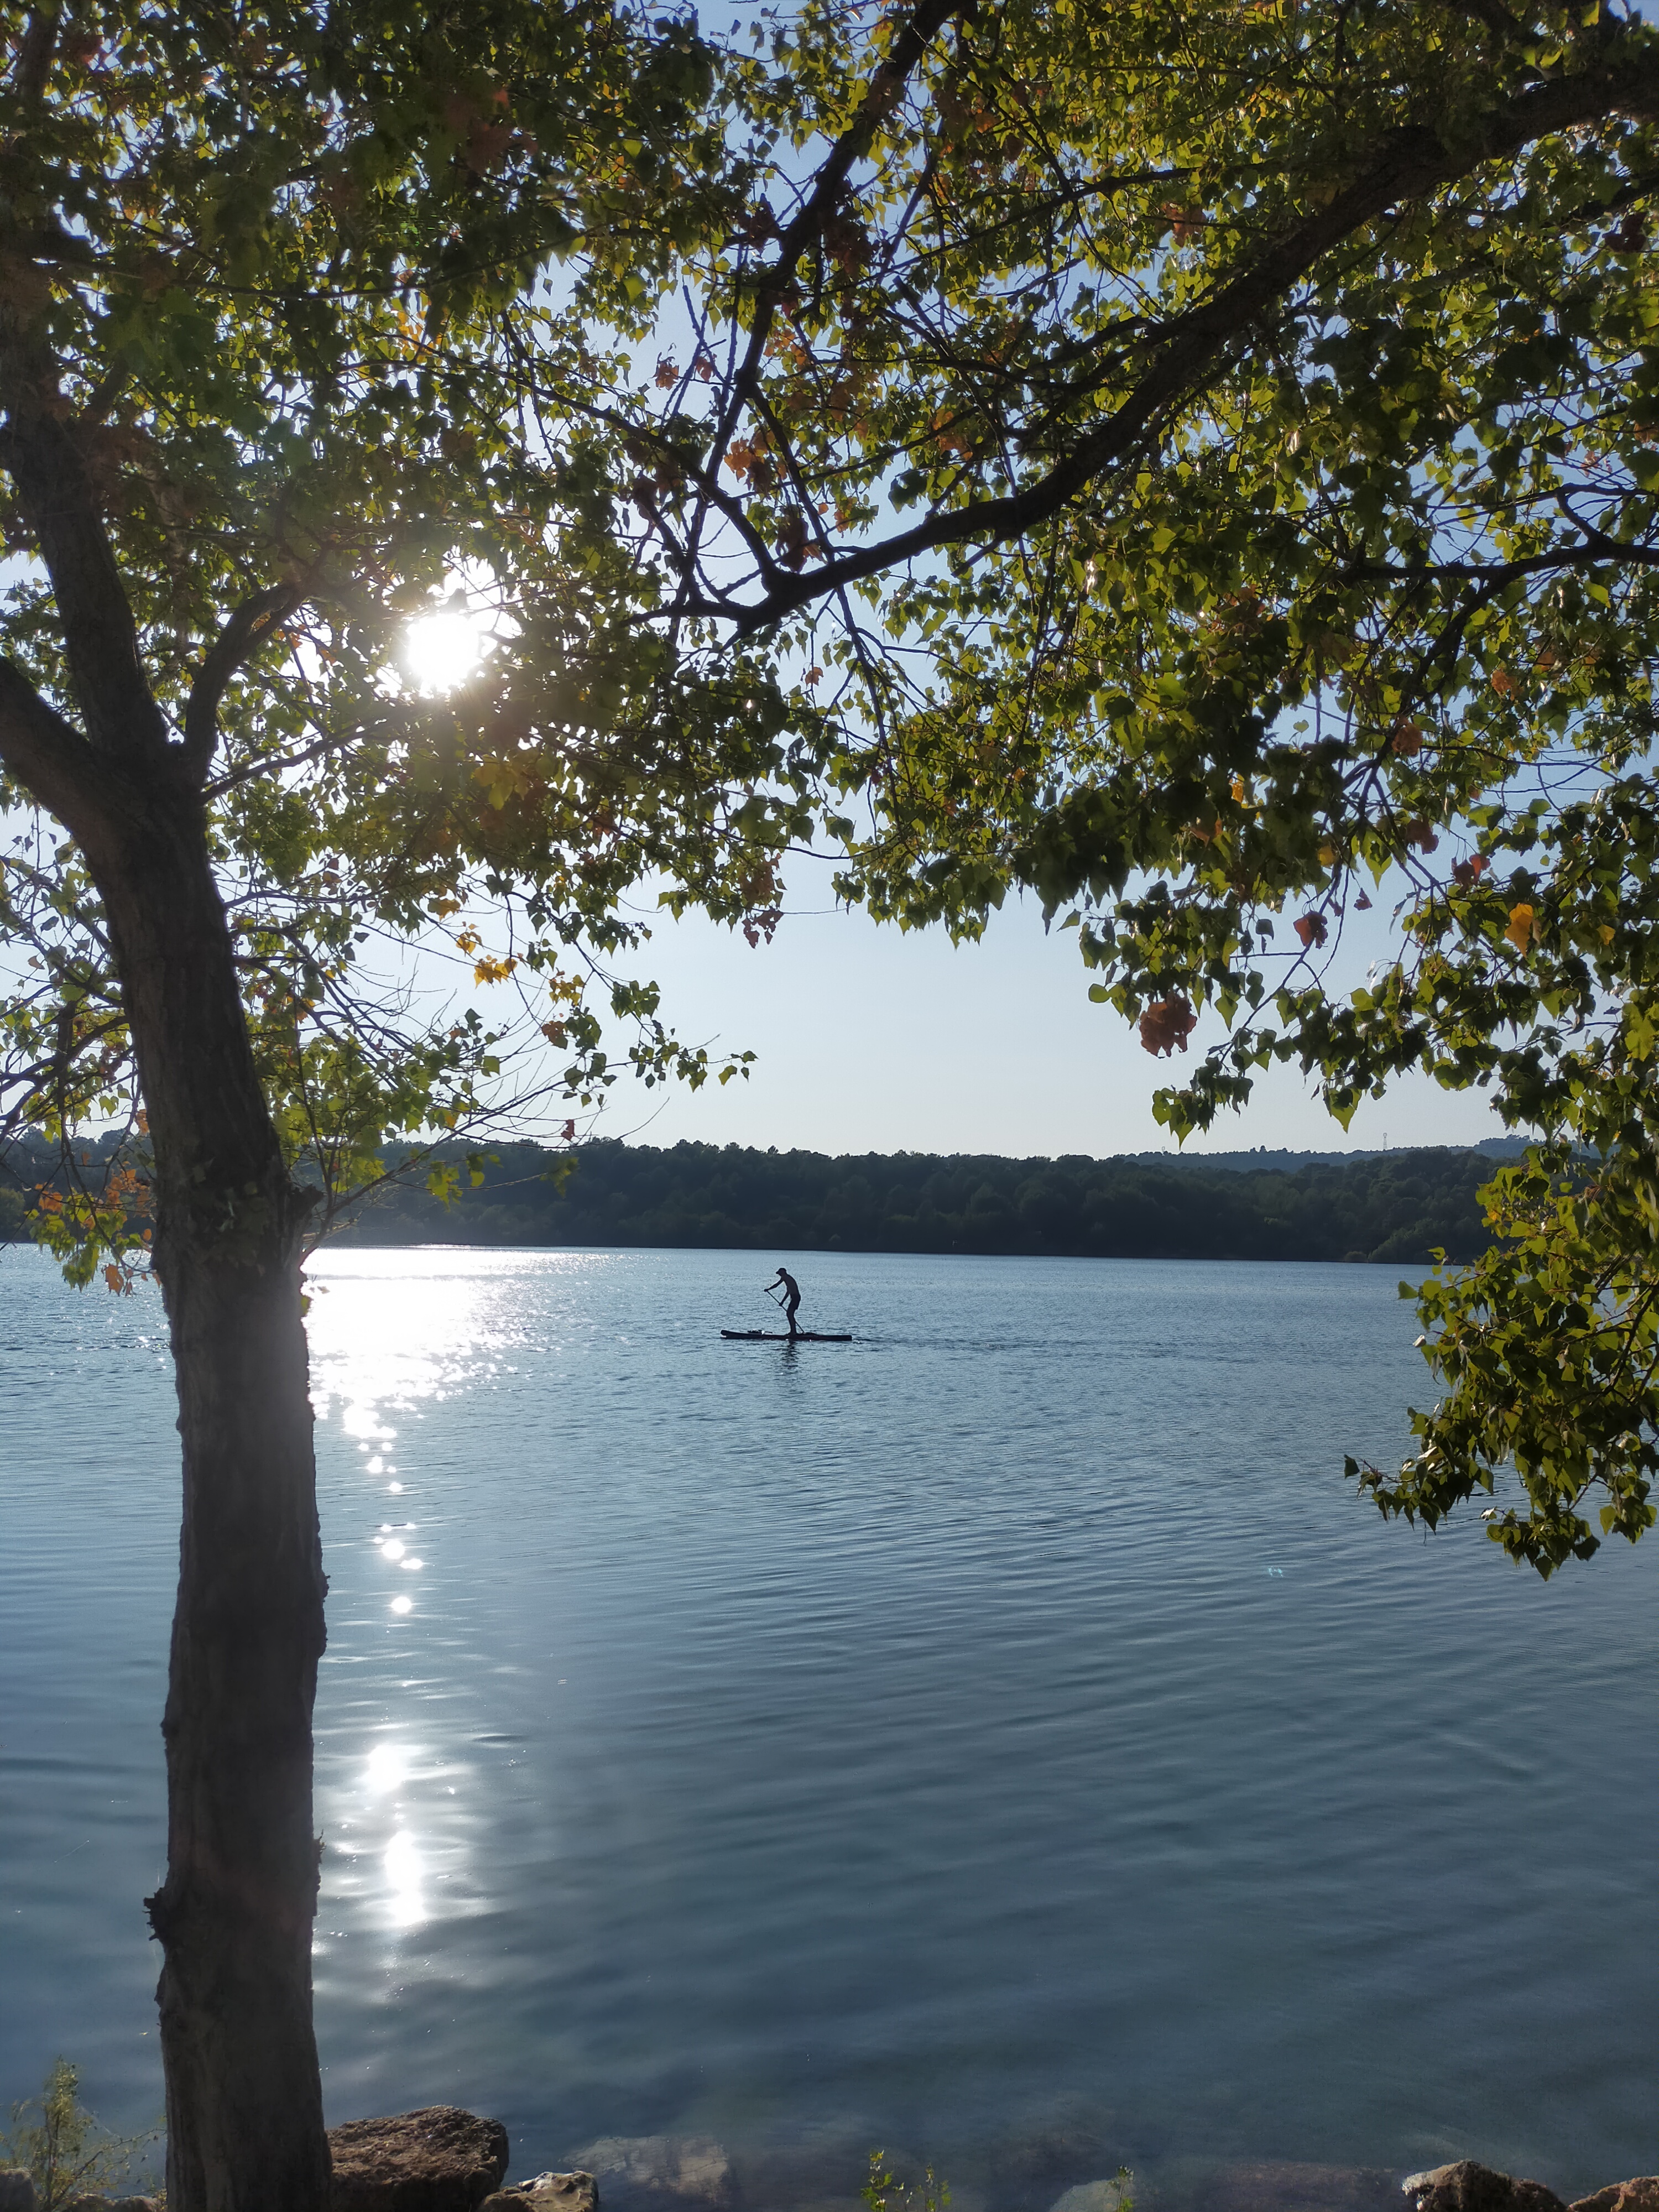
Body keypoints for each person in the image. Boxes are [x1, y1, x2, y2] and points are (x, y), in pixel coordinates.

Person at [770, 1265, 801, 1337]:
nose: (779, 1275)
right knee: (790, 1314)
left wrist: (768, 1289)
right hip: (795, 1298)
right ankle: (793, 1332)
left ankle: (793, 1332)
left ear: (783, 1272)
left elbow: (777, 1285)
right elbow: (788, 1293)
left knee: (790, 1314)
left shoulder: (786, 1277)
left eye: (780, 1273)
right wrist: (782, 1302)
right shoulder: (788, 1281)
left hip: (796, 1298)